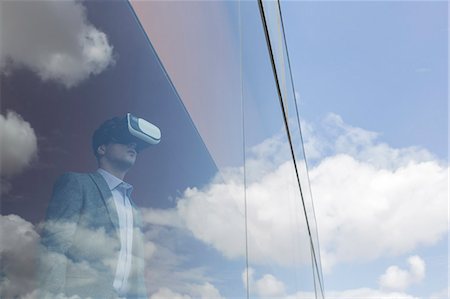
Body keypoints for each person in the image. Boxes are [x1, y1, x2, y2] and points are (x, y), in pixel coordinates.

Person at [40, 115, 153, 299]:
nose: (132, 146)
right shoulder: (77, 183)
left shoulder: (133, 209)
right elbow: (54, 248)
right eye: (124, 140)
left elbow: (136, 271)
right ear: (102, 148)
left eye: (135, 144)